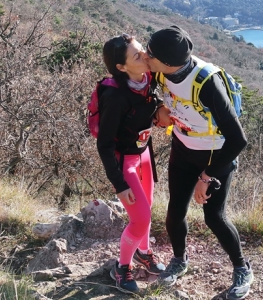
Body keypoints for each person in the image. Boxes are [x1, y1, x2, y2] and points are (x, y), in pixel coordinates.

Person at [144, 25, 254, 300]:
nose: (146, 56)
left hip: (216, 154)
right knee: (174, 211)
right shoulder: (159, 72)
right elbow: (146, 94)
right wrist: (158, 109)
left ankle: (242, 267)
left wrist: (207, 177)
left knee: (214, 217)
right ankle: (180, 260)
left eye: (150, 53)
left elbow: (239, 139)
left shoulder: (207, 84)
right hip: (183, 147)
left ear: (168, 62)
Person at [97, 33, 170, 294]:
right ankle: (121, 267)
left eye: (142, 51)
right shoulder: (115, 97)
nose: (145, 57)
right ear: (121, 67)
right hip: (125, 163)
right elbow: (104, 144)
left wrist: (161, 109)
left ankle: (144, 253)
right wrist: (118, 184)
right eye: (137, 56)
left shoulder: (148, 79)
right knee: (141, 218)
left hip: (145, 156)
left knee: (146, 210)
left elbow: (151, 106)